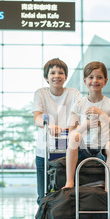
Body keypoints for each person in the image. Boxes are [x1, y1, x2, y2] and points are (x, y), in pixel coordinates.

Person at [63, 61, 110, 198]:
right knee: (74, 137)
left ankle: (108, 190)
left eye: (99, 77)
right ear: (85, 81)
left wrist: (102, 115)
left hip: (103, 149)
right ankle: (69, 182)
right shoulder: (78, 105)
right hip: (83, 149)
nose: (95, 80)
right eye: (91, 77)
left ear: (105, 81)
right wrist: (86, 125)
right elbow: (71, 133)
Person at [33, 58, 81, 205]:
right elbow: (37, 117)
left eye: (61, 73)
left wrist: (72, 128)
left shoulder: (73, 93)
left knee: (66, 193)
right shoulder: (40, 93)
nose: (57, 76)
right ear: (46, 77)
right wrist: (49, 126)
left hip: (68, 151)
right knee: (43, 195)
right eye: (52, 72)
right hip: (45, 151)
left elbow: (79, 113)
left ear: (66, 77)